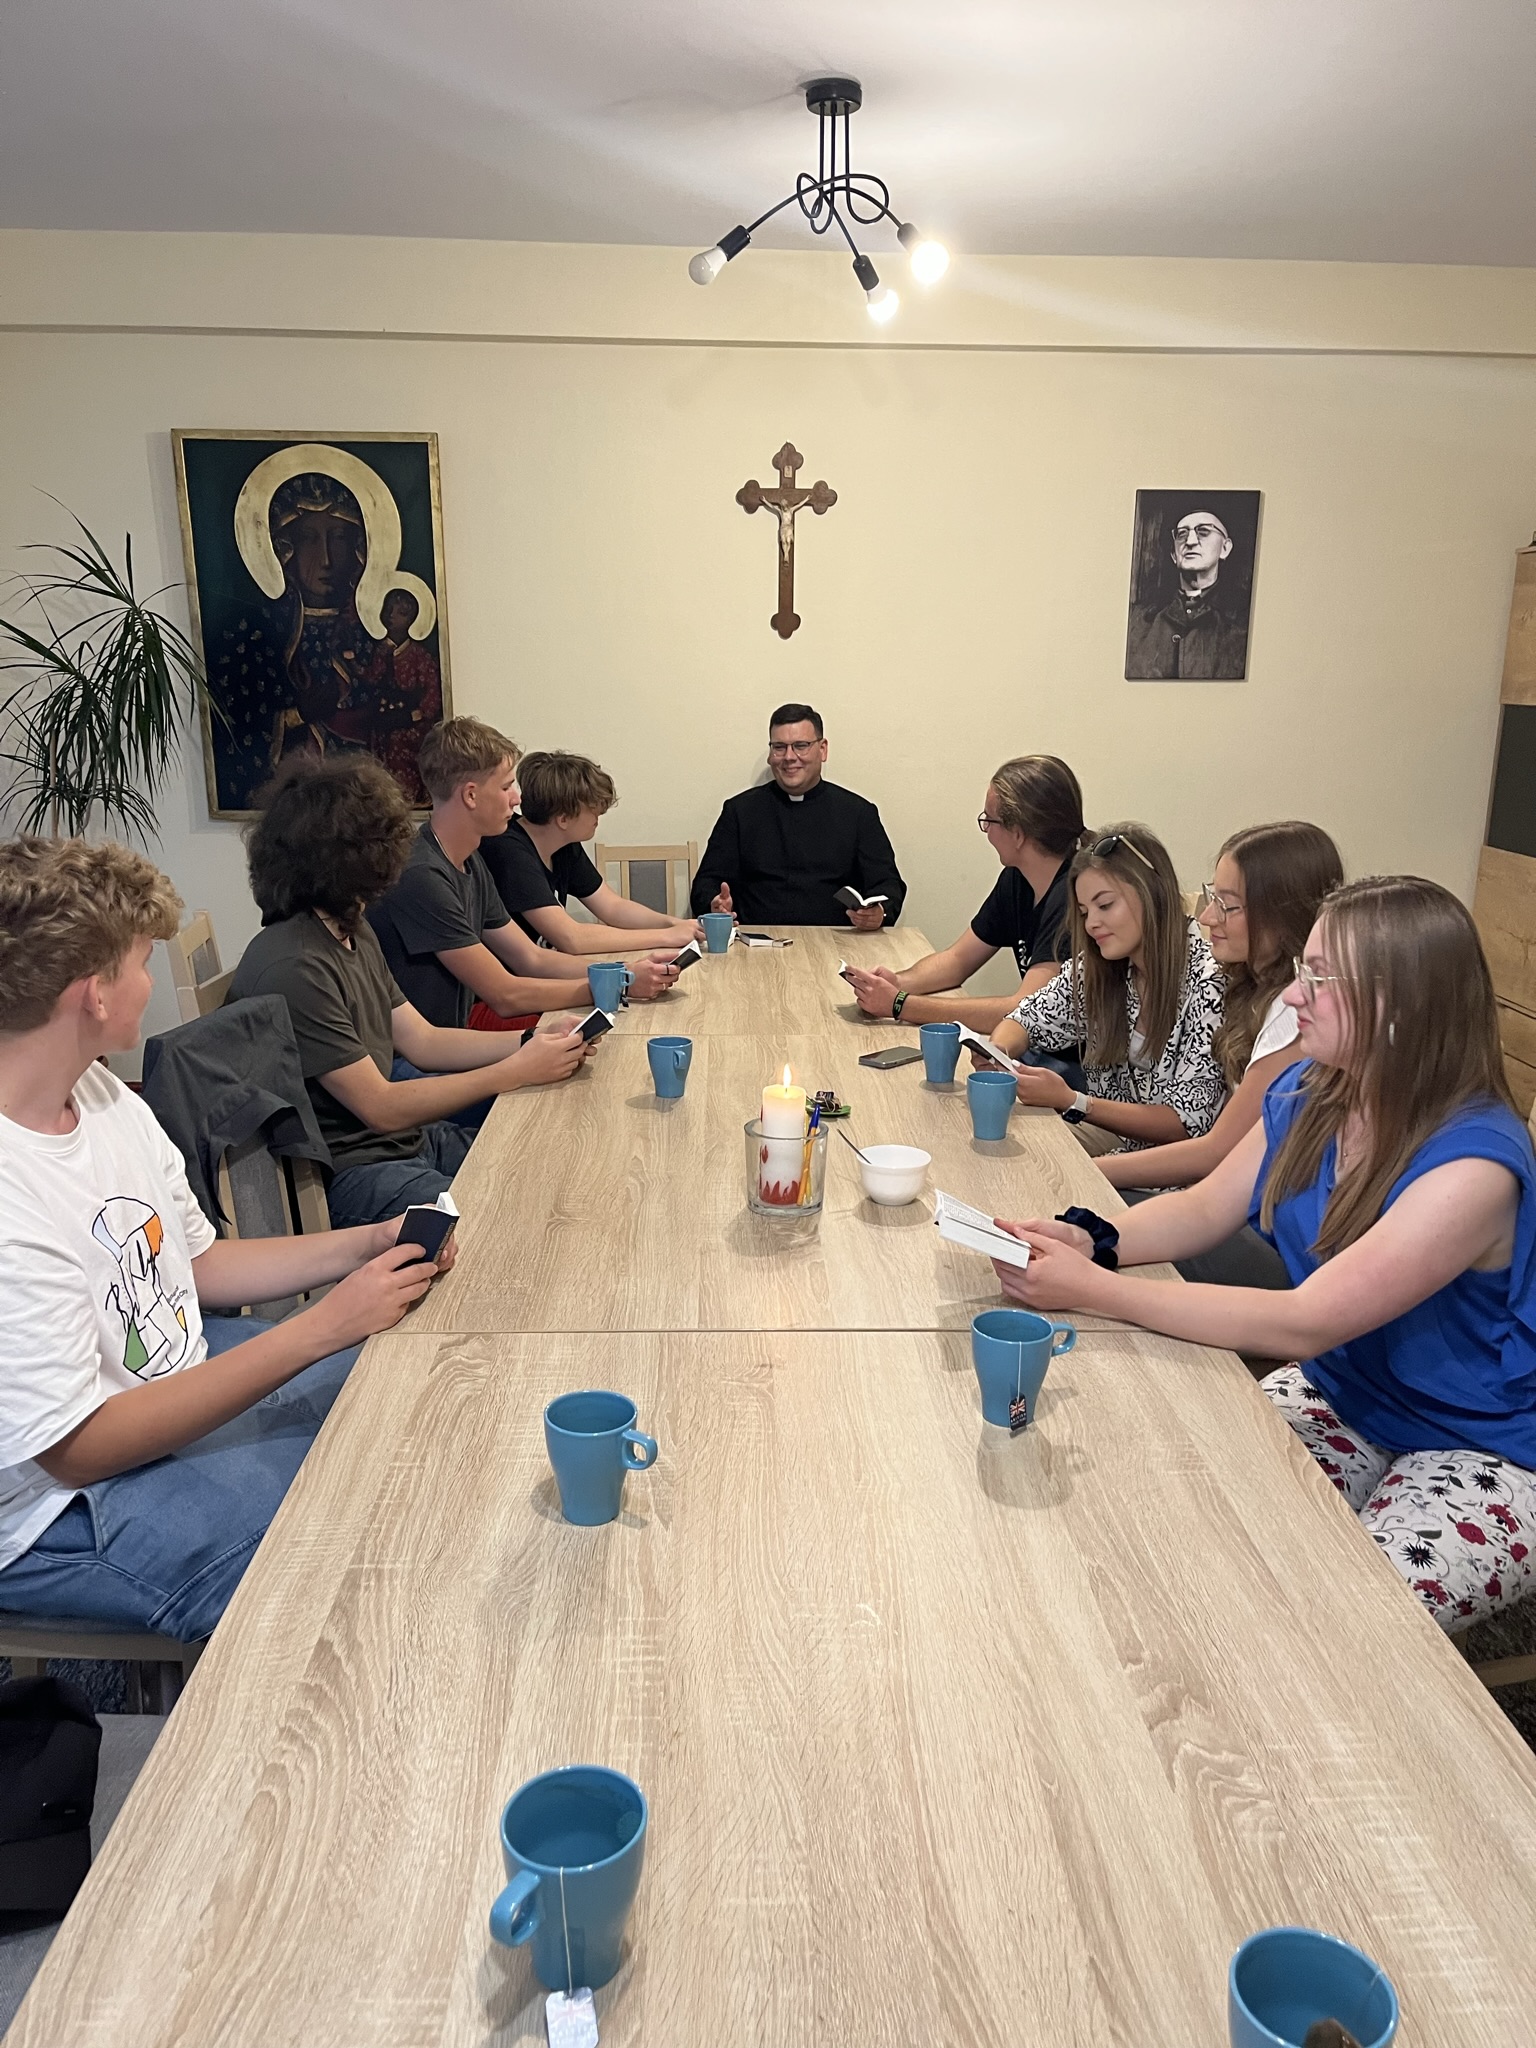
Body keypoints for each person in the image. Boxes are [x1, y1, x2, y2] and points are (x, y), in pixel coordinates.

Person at [992, 877, 1536, 1633]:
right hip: (1346, 1391)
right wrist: (1089, 1236)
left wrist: (1091, 1286)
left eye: (1321, 978)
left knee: (1350, 1624)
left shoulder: (1472, 1164)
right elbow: (1204, 1208)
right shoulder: (1317, 1089)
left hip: (1480, 1442)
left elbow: (1305, 1321)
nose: (1294, 994)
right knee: (1193, 1516)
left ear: (1402, 1004)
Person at [0, 837, 451, 1643]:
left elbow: (198, 1263)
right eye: (142, 963)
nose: (150, 985)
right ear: (93, 994)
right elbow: (77, 1448)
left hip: (177, 1377)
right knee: (358, 1543)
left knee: (409, 1404)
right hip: (60, 1508)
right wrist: (323, 1325)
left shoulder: (99, 1092)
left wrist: (365, 1243)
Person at [228, 756, 590, 1229]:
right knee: (509, 1214)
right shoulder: (296, 967)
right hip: (350, 1172)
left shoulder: (350, 929)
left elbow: (424, 1040)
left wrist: (530, 1042)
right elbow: (380, 1106)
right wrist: (515, 1070)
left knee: (548, 1166)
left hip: (401, 1142)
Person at [1100, 822, 1344, 1289]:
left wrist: (1090, 1169)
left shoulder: (1295, 1014)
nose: (1208, 917)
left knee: (1100, 1210)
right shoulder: (1253, 989)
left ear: (1284, 914)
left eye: (1227, 905)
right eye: (1212, 896)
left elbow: (1214, 1152)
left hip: (1276, 1242)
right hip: (1239, 1207)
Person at [368, 719, 680, 1036]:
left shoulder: (470, 861)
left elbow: (532, 959)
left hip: (451, 1039)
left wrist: (623, 971)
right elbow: (505, 995)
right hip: (425, 1052)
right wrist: (619, 983)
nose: (517, 799)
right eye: (506, 787)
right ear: (471, 795)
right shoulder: (423, 875)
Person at [982, 825, 1225, 1151]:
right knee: (1001, 1139)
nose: (1091, 923)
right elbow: (1025, 1018)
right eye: (1084, 912)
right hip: (1114, 1135)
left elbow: (1185, 1123)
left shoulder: (1208, 981)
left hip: (1173, 1160)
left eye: (1105, 905)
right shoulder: (1099, 966)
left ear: (1152, 892)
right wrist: (998, 1053)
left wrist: (1074, 1100)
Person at [843, 754, 1086, 1031]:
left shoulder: (1075, 895)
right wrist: (897, 983)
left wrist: (900, 1004)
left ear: (1018, 834)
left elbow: (1026, 1011)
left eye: (989, 821)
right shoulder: (1017, 879)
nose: (986, 831)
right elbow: (958, 960)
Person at [691, 704, 907, 929]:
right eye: (779, 747)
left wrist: (878, 913)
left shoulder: (858, 813)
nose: (789, 757)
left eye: (801, 746)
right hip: (753, 941)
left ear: (822, 749)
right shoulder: (739, 811)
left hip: (837, 942)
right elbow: (706, 883)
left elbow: (887, 884)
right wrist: (715, 906)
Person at [478, 750, 700, 958]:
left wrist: (673, 924)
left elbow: (612, 907)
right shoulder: (509, 851)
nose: (599, 814)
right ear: (563, 819)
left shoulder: (563, 843)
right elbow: (571, 938)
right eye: (593, 808)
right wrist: (666, 936)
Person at [1124, 506, 1249, 681]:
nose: (1190, 541)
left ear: (1225, 548)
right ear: (1174, 555)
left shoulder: (1245, 620)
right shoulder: (1138, 619)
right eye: (1182, 534)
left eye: (1203, 531)